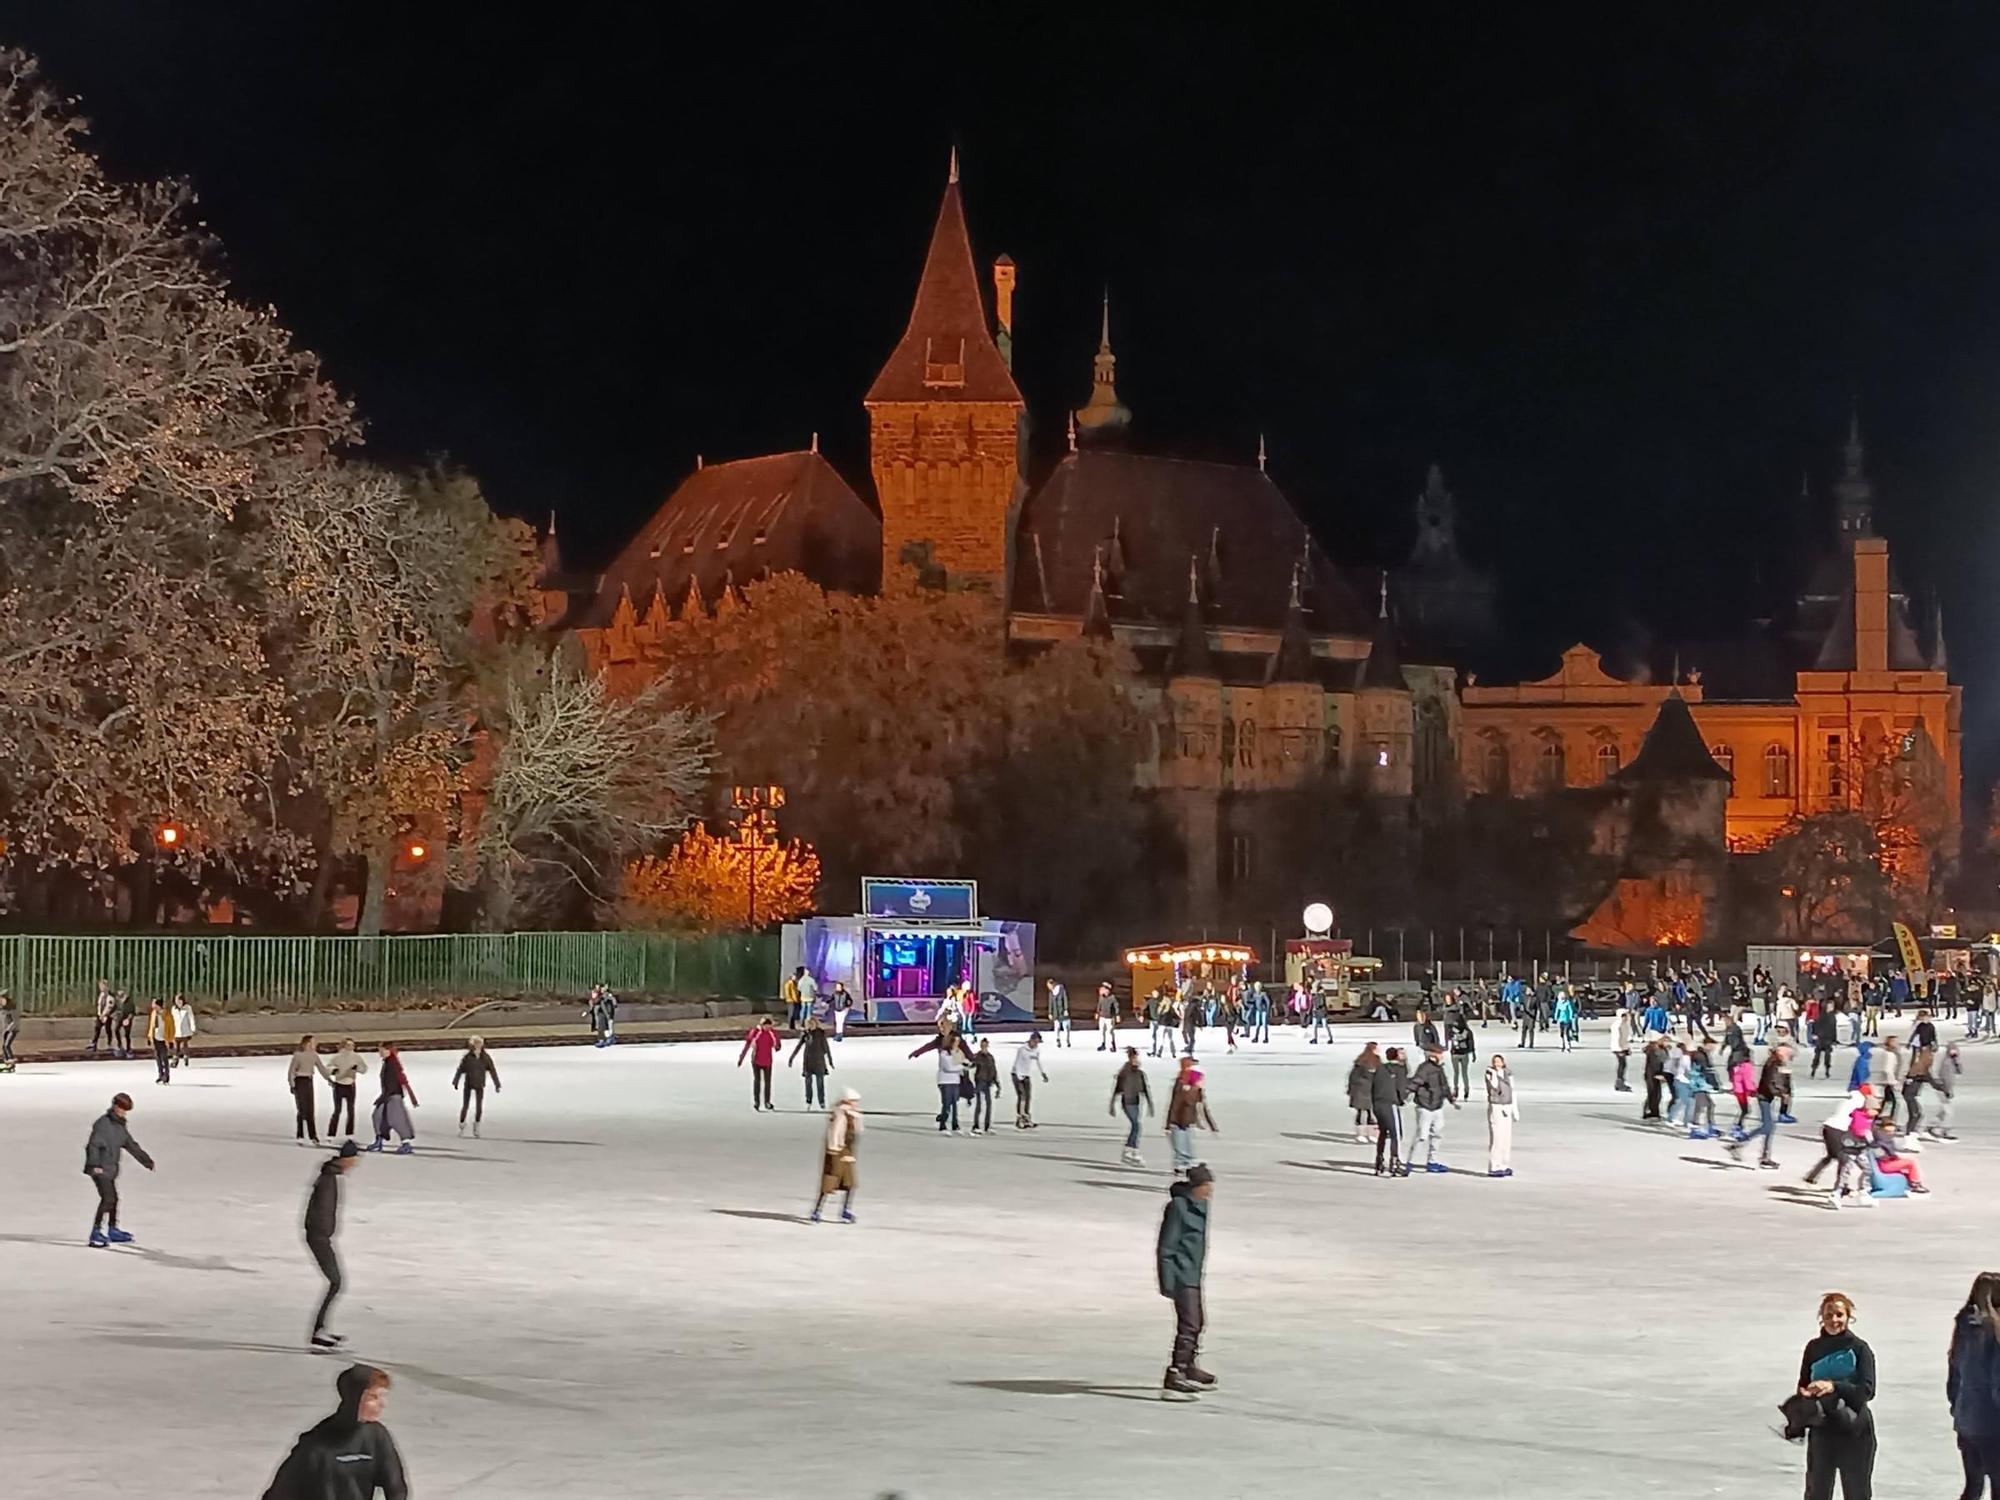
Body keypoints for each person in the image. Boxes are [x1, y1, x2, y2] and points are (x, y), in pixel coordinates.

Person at [259, 1363, 408, 1500]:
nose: (382, 1404)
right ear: (354, 1398)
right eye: (373, 1397)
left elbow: (396, 1488)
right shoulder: (315, 1445)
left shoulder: (377, 1436)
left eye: (383, 1396)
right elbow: (281, 1493)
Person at [1790, 1291, 1875, 1500]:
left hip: (1855, 1431)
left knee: (1857, 1494)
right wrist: (1805, 1397)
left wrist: (1833, 1386)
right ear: (1821, 1317)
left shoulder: (1860, 1349)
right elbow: (1802, 1384)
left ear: (1848, 1317)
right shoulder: (1813, 1348)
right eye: (1828, 1315)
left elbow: (1867, 1390)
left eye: (1839, 1315)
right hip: (1822, 1432)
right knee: (1817, 1494)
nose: (1833, 1320)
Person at [1157, 1163, 1215, 1399]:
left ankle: (1189, 1365)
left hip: (1193, 1273)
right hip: (1181, 1275)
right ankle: (1175, 1371)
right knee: (1189, 1324)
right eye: (1207, 1186)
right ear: (1196, 1187)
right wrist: (1168, 1282)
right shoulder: (1178, 1208)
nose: (1210, 1191)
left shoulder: (1201, 1205)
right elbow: (1166, 1248)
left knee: (1198, 1322)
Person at [304, 1141, 360, 1348]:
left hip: (321, 1236)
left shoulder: (330, 1176)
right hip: (319, 1237)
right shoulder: (328, 1179)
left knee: (335, 1282)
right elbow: (319, 1210)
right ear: (346, 1159)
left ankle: (321, 1329)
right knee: (336, 1282)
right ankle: (318, 1332)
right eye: (353, 1160)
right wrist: (322, 1232)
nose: (355, 1164)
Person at [1948, 1271, 2000, 1497]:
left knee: (1973, 1484)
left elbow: (1953, 1375)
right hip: (1992, 1424)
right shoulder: (1994, 1333)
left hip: (1966, 1420)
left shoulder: (1963, 1327)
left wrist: (1957, 1410)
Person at [84, 1091, 155, 1247]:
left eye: (126, 1110)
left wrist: (146, 1160)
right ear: (115, 1107)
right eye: (122, 1109)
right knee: (107, 1199)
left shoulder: (120, 1127)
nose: (124, 1113)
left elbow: (131, 1145)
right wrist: (94, 1165)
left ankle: (112, 1229)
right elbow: (93, 1146)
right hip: (99, 1169)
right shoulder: (103, 1124)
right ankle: (95, 1232)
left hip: (110, 1169)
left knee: (114, 1199)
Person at [1728, 1042, 1790, 1170]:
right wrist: (1781, 1093)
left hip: (1767, 1097)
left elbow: (1780, 1081)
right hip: (1764, 1097)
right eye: (1785, 1052)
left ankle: (1764, 1156)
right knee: (1767, 1126)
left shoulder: (1777, 1063)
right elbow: (1770, 1082)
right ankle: (1739, 1145)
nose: (1788, 1055)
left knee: (1769, 1127)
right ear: (1779, 1052)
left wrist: (1784, 1090)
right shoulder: (1773, 1063)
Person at [1804, 1087, 1872, 1205]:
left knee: (1833, 1155)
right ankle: (1841, 1188)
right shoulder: (1860, 1102)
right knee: (1842, 1158)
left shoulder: (1850, 1100)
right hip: (1837, 1130)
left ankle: (1812, 1177)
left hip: (1829, 1127)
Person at [810, 1088, 862, 1224]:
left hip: (846, 1153)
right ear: (847, 1101)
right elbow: (835, 1135)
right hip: (837, 1152)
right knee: (829, 1182)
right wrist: (835, 1153)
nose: (856, 1104)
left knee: (849, 1183)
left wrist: (856, 1117)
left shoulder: (851, 1114)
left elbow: (857, 1131)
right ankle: (817, 1211)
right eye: (854, 1101)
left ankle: (845, 1211)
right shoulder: (840, 1115)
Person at [1408, 1043, 1459, 1173]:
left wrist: (1451, 1099)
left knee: (1437, 1134)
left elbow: (1444, 1086)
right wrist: (1405, 1093)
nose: (1442, 1056)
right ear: (1432, 1055)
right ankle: (1410, 1162)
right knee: (1422, 1136)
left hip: (1437, 1106)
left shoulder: (1439, 1068)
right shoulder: (1424, 1068)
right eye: (1439, 1053)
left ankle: (1432, 1161)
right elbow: (1416, 1082)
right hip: (1425, 1106)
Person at [1165, 1055, 1217, 1177]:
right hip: (1178, 1121)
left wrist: (1211, 1125)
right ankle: (1181, 1167)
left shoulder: (1196, 1090)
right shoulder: (1182, 1085)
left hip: (1187, 1121)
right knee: (1180, 1147)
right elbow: (1175, 1104)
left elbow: (1203, 1107)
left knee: (1186, 1146)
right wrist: (1169, 1123)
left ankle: (1186, 1165)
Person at [366, 1044, 418, 1154]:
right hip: (387, 1095)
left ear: (388, 1051)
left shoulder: (392, 1063)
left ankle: (406, 1144)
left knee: (397, 1120)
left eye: (382, 1050)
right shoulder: (388, 1062)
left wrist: (385, 1096)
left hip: (394, 1095)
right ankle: (378, 1142)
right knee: (378, 1116)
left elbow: (393, 1081)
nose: (379, 1052)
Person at [1372, 1046, 1411, 1177]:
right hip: (1390, 1103)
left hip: (1378, 1103)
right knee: (1396, 1134)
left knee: (1383, 1133)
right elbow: (1401, 1087)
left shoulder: (1380, 1068)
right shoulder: (1399, 1070)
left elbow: (1374, 1085)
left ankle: (1379, 1161)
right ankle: (1395, 1162)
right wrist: (1402, 1099)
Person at [451, 1036, 501, 1138]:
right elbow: (460, 1069)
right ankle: (462, 1126)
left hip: (480, 1084)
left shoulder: (485, 1057)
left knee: (479, 1107)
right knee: (465, 1106)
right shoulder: (468, 1057)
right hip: (469, 1083)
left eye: (479, 1043)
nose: (477, 1045)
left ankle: (477, 1126)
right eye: (476, 1043)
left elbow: (492, 1070)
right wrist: (455, 1081)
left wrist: (497, 1084)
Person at [1111, 1047, 1153, 1166]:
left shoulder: (1140, 1073)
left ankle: (1132, 1150)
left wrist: (1150, 1105)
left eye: (1136, 1058)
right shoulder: (1124, 1073)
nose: (1135, 1060)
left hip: (1136, 1101)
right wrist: (1112, 1105)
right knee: (1136, 1125)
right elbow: (1117, 1089)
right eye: (1133, 1058)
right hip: (1127, 1102)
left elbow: (1145, 1089)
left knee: (1137, 1125)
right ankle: (1130, 1149)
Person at [288, 1036, 333, 1145]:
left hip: (309, 1081)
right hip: (300, 1082)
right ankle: (300, 1134)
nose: (315, 1044)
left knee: (310, 1109)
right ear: (307, 1043)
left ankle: (313, 1135)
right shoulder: (298, 1055)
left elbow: (321, 1068)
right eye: (313, 1042)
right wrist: (292, 1084)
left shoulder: (314, 1055)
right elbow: (292, 1071)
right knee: (302, 1109)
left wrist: (329, 1079)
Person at [787, 1017, 834, 1110]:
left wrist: (830, 1061)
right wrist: (791, 1058)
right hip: (808, 1061)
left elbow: (826, 1047)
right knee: (808, 1083)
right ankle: (808, 1101)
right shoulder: (805, 1034)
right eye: (809, 1024)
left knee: (820, 1083)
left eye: (812, 1024)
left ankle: (822, 1101)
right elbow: (798, 1046)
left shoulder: (820, 1033)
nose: (810, 1026)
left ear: (816, 1024)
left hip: (819, 1061)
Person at [738, 1017, 782, 1112]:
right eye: (765, 1025)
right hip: (756, 1060)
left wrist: (776, 1045)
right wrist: (741, 1058)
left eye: (769, 1026)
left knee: (767, 1082)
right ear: (762, 1025)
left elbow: (778, 1046)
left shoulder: (772, 1033)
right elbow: (747, 1045)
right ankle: (756, 1102)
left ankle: (767, 1102)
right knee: (757, 1081)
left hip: (768, 1061)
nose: (767, 1027)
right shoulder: (755, 1032)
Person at [1485, 1054, 1518, 1177]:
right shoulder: (1489, 1073)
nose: (1497, 1063)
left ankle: (1504, 1164)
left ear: (1503, 1062)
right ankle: (1494, 1166)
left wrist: (1515, 1109)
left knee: (1506, 1138)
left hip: (1507, 1106)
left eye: (1499, 1061)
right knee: (1497, 1138)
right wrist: (1495, 1073)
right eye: (1495, 1061)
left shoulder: (1508, 1074)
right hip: (1496, 1106)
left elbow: (1512, 1090)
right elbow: (1494, 1086)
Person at [326, 1039, 368, 1138]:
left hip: (350, 1085)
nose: (352, 1047)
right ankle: (331, 1134)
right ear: (344, 1046)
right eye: (349, 1045)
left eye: (353, 1045)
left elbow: (364, 1069)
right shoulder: (336, 1057)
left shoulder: (356, 1057)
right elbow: (328, 1068)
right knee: (337, 1110)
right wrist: (334, 1070)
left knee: (351, 1110)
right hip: (339, 1085)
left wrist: (357, 1068)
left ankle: (349, 1133)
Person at [1012, 1031, 1049, 1129]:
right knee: (1022, 1096)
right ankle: (1019, 1118)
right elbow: (1018, 1063)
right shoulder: (1022, 1049)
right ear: (1031, 1040)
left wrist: (1043, 1073)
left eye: (1038, 1042)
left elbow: (1038, 1061)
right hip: (1017, 1074)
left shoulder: (1036, 1050)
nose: (1036, 1044)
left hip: (1026, 1074)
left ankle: (1026, 1117)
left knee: (1028, 1097)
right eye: (1035, 1042)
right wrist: (1020, 1076)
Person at [1347, 1043, 1380, 1142]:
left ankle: (1372, 1134)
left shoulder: (1377, 1060)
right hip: (1361, 1090)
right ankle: (1360, 1134)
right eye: (1377, 1048)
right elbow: (1354, 1077)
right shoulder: (1361, 1062)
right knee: (1361, 1113)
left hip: (1372, 1090)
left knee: (1372, 1113)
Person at [1930, 1042, 1963, 1142]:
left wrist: (1957, 1060)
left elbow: (1960, 1070)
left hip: (1946, 1089)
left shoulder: (1952, 1061)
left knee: (1944, 1111)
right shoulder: (1946, 1063)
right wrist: (1947, 1090)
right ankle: (1942, 1130)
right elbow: (1945, 1078)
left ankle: (1933, 1126)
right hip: (1943, 1089)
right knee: (1948, 1111)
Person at [969, 1036, 999, 1134]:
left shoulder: (990, 1057)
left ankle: (987, 1126)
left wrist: (997, 1083)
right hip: (980, 1082)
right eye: (983, 1045)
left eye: (985, 1045)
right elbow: (971, 1065)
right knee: (979, 1104)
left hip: (988, 1082)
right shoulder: (977, 1056)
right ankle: (976, 1125)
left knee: (988, 1104)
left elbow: (994, 1070)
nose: (984, 1046)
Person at [146, 996, 175, 1085]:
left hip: (163, 1039)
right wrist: (149, 1036)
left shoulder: (166, 1014)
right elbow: (151, 1026)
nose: (152, 1005)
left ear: (158, 1005)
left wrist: (170, 1040)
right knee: (158, 1058)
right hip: (155, 1037)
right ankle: (160, 1074)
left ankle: (166, 1076)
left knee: (164, 1058)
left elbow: (171, 1027)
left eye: (154, 1003)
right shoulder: (154, 1013)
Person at [1448, 1013, 1477, 1101]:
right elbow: (1471, 1043)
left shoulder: (1452, 1030)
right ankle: (1466, 1090)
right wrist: (1473, 1053)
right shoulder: (1467, 1031)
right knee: (1464, 1073)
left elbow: (1449, 1040)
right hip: (1464, 1053)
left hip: (1455, 1053)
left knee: (1456, 1073)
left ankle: (1456, 1089)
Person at [88, 979, 115, 1057]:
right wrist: (99, 1014)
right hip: (100, 1015)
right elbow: (99, 1005)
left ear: (106, 986)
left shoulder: (110, 996)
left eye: (103, 986)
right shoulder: (101, 995)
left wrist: (104, 1014)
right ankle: (94, 1043)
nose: (101, 988)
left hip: (107, 1015)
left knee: (108, 1029)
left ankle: (109, 1043)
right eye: (100, 986)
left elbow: (109, 1007)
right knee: (97, 1028)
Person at [1610, 1005, 1634, 1092]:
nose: (1626, 1017)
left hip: (1622, 1047)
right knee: (1622, 1064)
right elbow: (1617, 1038)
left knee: (1623, 1065)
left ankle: (1620, 1082)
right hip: (1617, 1047)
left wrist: (1627, 1048)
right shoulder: (1618, 1025)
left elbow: (1625, 1038)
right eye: (1625, 1016)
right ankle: (1619, 1083)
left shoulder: (1625, 1024)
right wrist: (1620, 1049)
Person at [169, 993, 195, 1068]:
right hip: (176, 1030)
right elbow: (171, 1019)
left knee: (184, 1045)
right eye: (177, 1001)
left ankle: (186, 1057)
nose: (178, 1002)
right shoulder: (173, 1009)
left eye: (180, 1001)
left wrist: (193, 1027)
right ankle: (175, 1061)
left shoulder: (187, 1008)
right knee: (176, 1047)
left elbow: (191, 1017)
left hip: (185, 1030)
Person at [1047, 978, 1071, 1047]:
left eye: (1049, 986)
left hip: (1062, 1011)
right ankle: (1057, 1040)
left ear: (1052, 984)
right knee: (1056, 1027)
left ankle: (1067, 1040)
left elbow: (1065, 999)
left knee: (1065, 1027)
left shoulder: (1061, 990)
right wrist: (1050, 1013)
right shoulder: (1051, 993)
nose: (1048, 987)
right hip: (1056, 1012)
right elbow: (1050, 1003)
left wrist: (1066, 1009)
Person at [1095, 981, 1119, 1051]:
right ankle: (1103, 1044)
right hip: (1102, 1017)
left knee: (1110, 1032)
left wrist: (1117, 1015)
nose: (1101, 990)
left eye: (1103, 989)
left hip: (1109, 1017)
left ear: (1107, 990)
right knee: (1101, 1031)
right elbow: (1099, 1005)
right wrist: (1097, 1012)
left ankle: (1112, 1045)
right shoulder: (1101, 997)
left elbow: (1116, 1006)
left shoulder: (1112, 997)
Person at [0, 988, 17, 1071]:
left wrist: (9, 1029)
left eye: (2, 999)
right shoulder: (3, 1008)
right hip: (6, 1029)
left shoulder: (12, 1008)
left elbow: (15, 1020)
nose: (1, 1001)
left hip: (13, 1029)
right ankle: (7, 1062)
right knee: (4, 1046)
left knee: (7, 1045)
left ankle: (11, 1061)